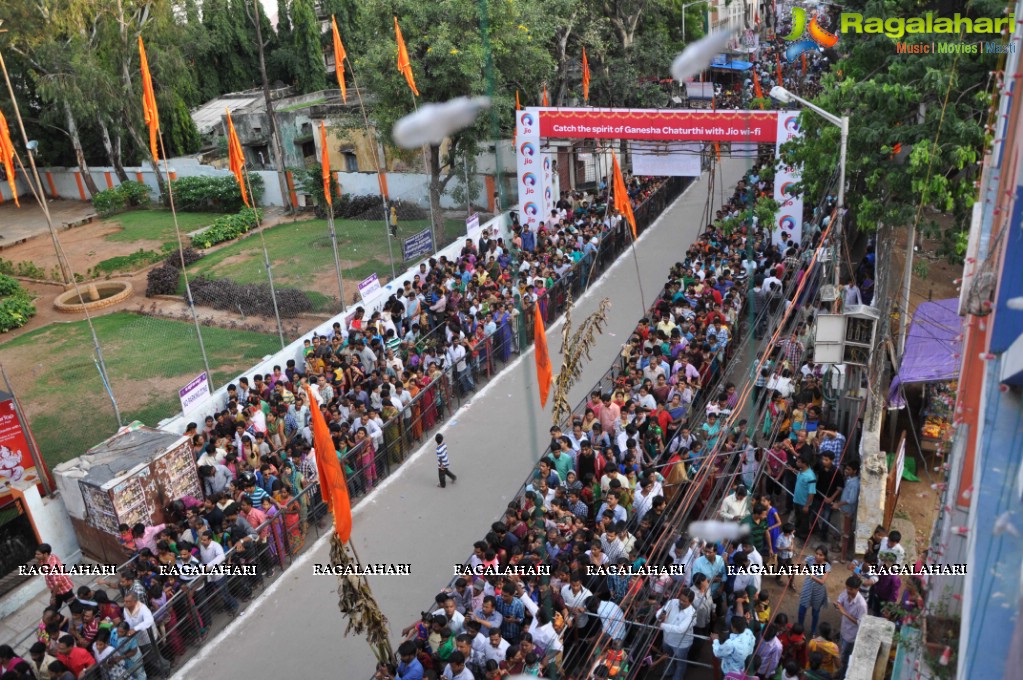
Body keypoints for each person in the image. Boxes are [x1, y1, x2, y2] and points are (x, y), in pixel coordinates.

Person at [656, 587, 695, 680]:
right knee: (667, 657)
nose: (681, 602)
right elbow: (659, 612)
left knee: (680, 663)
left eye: (684, 601)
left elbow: (681, 629)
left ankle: (677, 677)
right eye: (680, 599)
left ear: (690, 602)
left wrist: (662, 625)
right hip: (666, 639)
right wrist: (660, 616)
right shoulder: (673, 602)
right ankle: (669, 671)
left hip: (681, 644)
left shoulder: (692, 613)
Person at [835, 576, 867, 677]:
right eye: (847, 588)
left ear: (857, 589)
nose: (848, 591)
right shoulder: (845, 593)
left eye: (851, 589)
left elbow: (861, 623)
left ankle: (843, 675)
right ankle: (841, 672)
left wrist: (845, 613)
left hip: (851, 636)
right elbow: (839, 600)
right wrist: (838, 605)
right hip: (843, 629)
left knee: (845, 658)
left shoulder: (861, 605)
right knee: (842, 653)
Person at [798, 546, 832, 636]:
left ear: (824, 556)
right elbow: (801, 568)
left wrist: (811, 575)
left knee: (815, 612)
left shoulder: (827, 566)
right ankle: (799, 629)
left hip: (818, 591)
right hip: (807, 587)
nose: (817, 556)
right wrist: (802, 564)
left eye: (820, 555)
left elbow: (822, 581)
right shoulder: (810, 559)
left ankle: (813, 630)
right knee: (802, 610)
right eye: (816, 554)